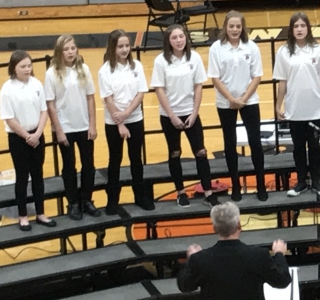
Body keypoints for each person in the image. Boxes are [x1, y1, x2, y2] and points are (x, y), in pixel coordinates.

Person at [150, 24, 217, 207]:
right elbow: (159, 89)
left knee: (201, 152)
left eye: (181, 36)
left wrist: (194, 113)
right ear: (168, 41)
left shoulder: (194, 58)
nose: (179, 40)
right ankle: (180, 192)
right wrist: (172, 116)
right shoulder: (160, 61)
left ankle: (208, 192)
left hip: (190, 113)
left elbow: (198, 86)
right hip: (169, 116)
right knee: (175, 153)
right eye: (174, 38)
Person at [273, 12, 320, 197]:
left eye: (302, 25)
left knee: (315, 147)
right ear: (291, 30)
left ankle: (316, 182)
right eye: (296, 26)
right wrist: (278, 106)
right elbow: (282, 82)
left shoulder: (319, 50)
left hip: (315, 109)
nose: (299, 29)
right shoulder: (283, 52)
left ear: (308, 28)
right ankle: (301, 182)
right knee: (299, 148)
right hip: (294, 110)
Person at [208, 10, 267, 202]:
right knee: (230, 143)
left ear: (243, 28)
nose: (234, 29)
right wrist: (231, 100)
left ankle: (260, 184)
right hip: (225, 103)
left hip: (249, 101)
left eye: (238, 26)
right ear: (225, 26)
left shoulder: (251, 47)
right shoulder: (217, 48)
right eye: (231, 26)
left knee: (255, 142)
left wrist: (243, 98)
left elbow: (257, 75)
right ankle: (235, 186)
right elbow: (215, 78)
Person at [98, 29, 155, 214]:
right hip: (113, 122)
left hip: (135, 118)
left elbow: (140, 94)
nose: (124, 50)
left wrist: (127, 114)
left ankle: (140, 196)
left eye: (126, 46)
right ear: (113, 47)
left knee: (136, 158)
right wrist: (120, 123)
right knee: (115, 160)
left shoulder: (136, 65)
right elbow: (108, 99)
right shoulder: (105, 70)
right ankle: (112, 200)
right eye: (120, 46)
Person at [44, 34, 99, 221]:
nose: (70, 52)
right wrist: (58, 130)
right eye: (66, 49)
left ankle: (87, 200)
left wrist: (92, 124)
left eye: (73, 48)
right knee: (69, 166)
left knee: (88, 165)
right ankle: (73, 203)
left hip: (84, 125)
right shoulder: (51, 74)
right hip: (65, 127)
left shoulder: (83, 69)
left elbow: (91, 97)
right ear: (59, 51)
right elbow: (50, 104)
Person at [0, 50, 55, 231]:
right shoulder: (7, 89)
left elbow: (43, 110)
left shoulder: (37, 84)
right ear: (14, 68)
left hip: (37, 136)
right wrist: (26, 136)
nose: (27, 69)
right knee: (22, 177)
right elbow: (9, 118)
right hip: (18, 138)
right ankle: (23, 216)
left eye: (29, 65)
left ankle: (41, 213)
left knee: (38, 175)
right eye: (23, 66)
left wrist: (38, 132)